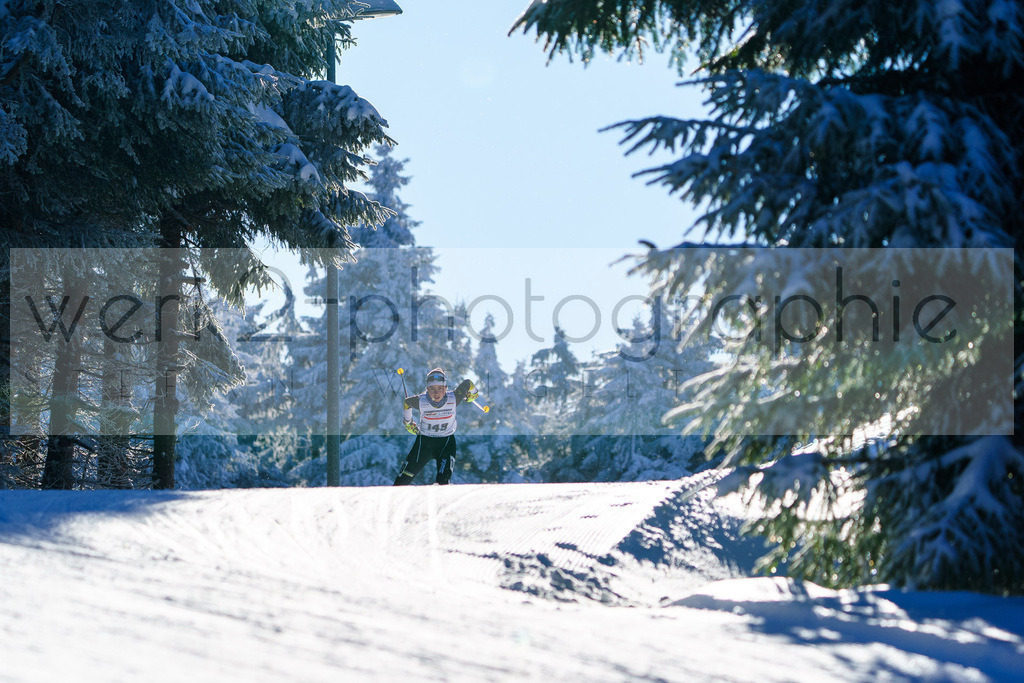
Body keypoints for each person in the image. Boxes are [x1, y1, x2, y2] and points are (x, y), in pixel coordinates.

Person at [394, 368, 477, 486]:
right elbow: (407, 402)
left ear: (446, 388)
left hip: (446, 444)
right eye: (432, 388)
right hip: (424, 444)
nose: (436, 393)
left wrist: (474, 394)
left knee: (443, 483)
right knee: (402, 481)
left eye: (440, 388)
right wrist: (408, 422)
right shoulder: (421, 401)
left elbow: (468, 383)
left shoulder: (454, 398)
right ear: (427, 389)